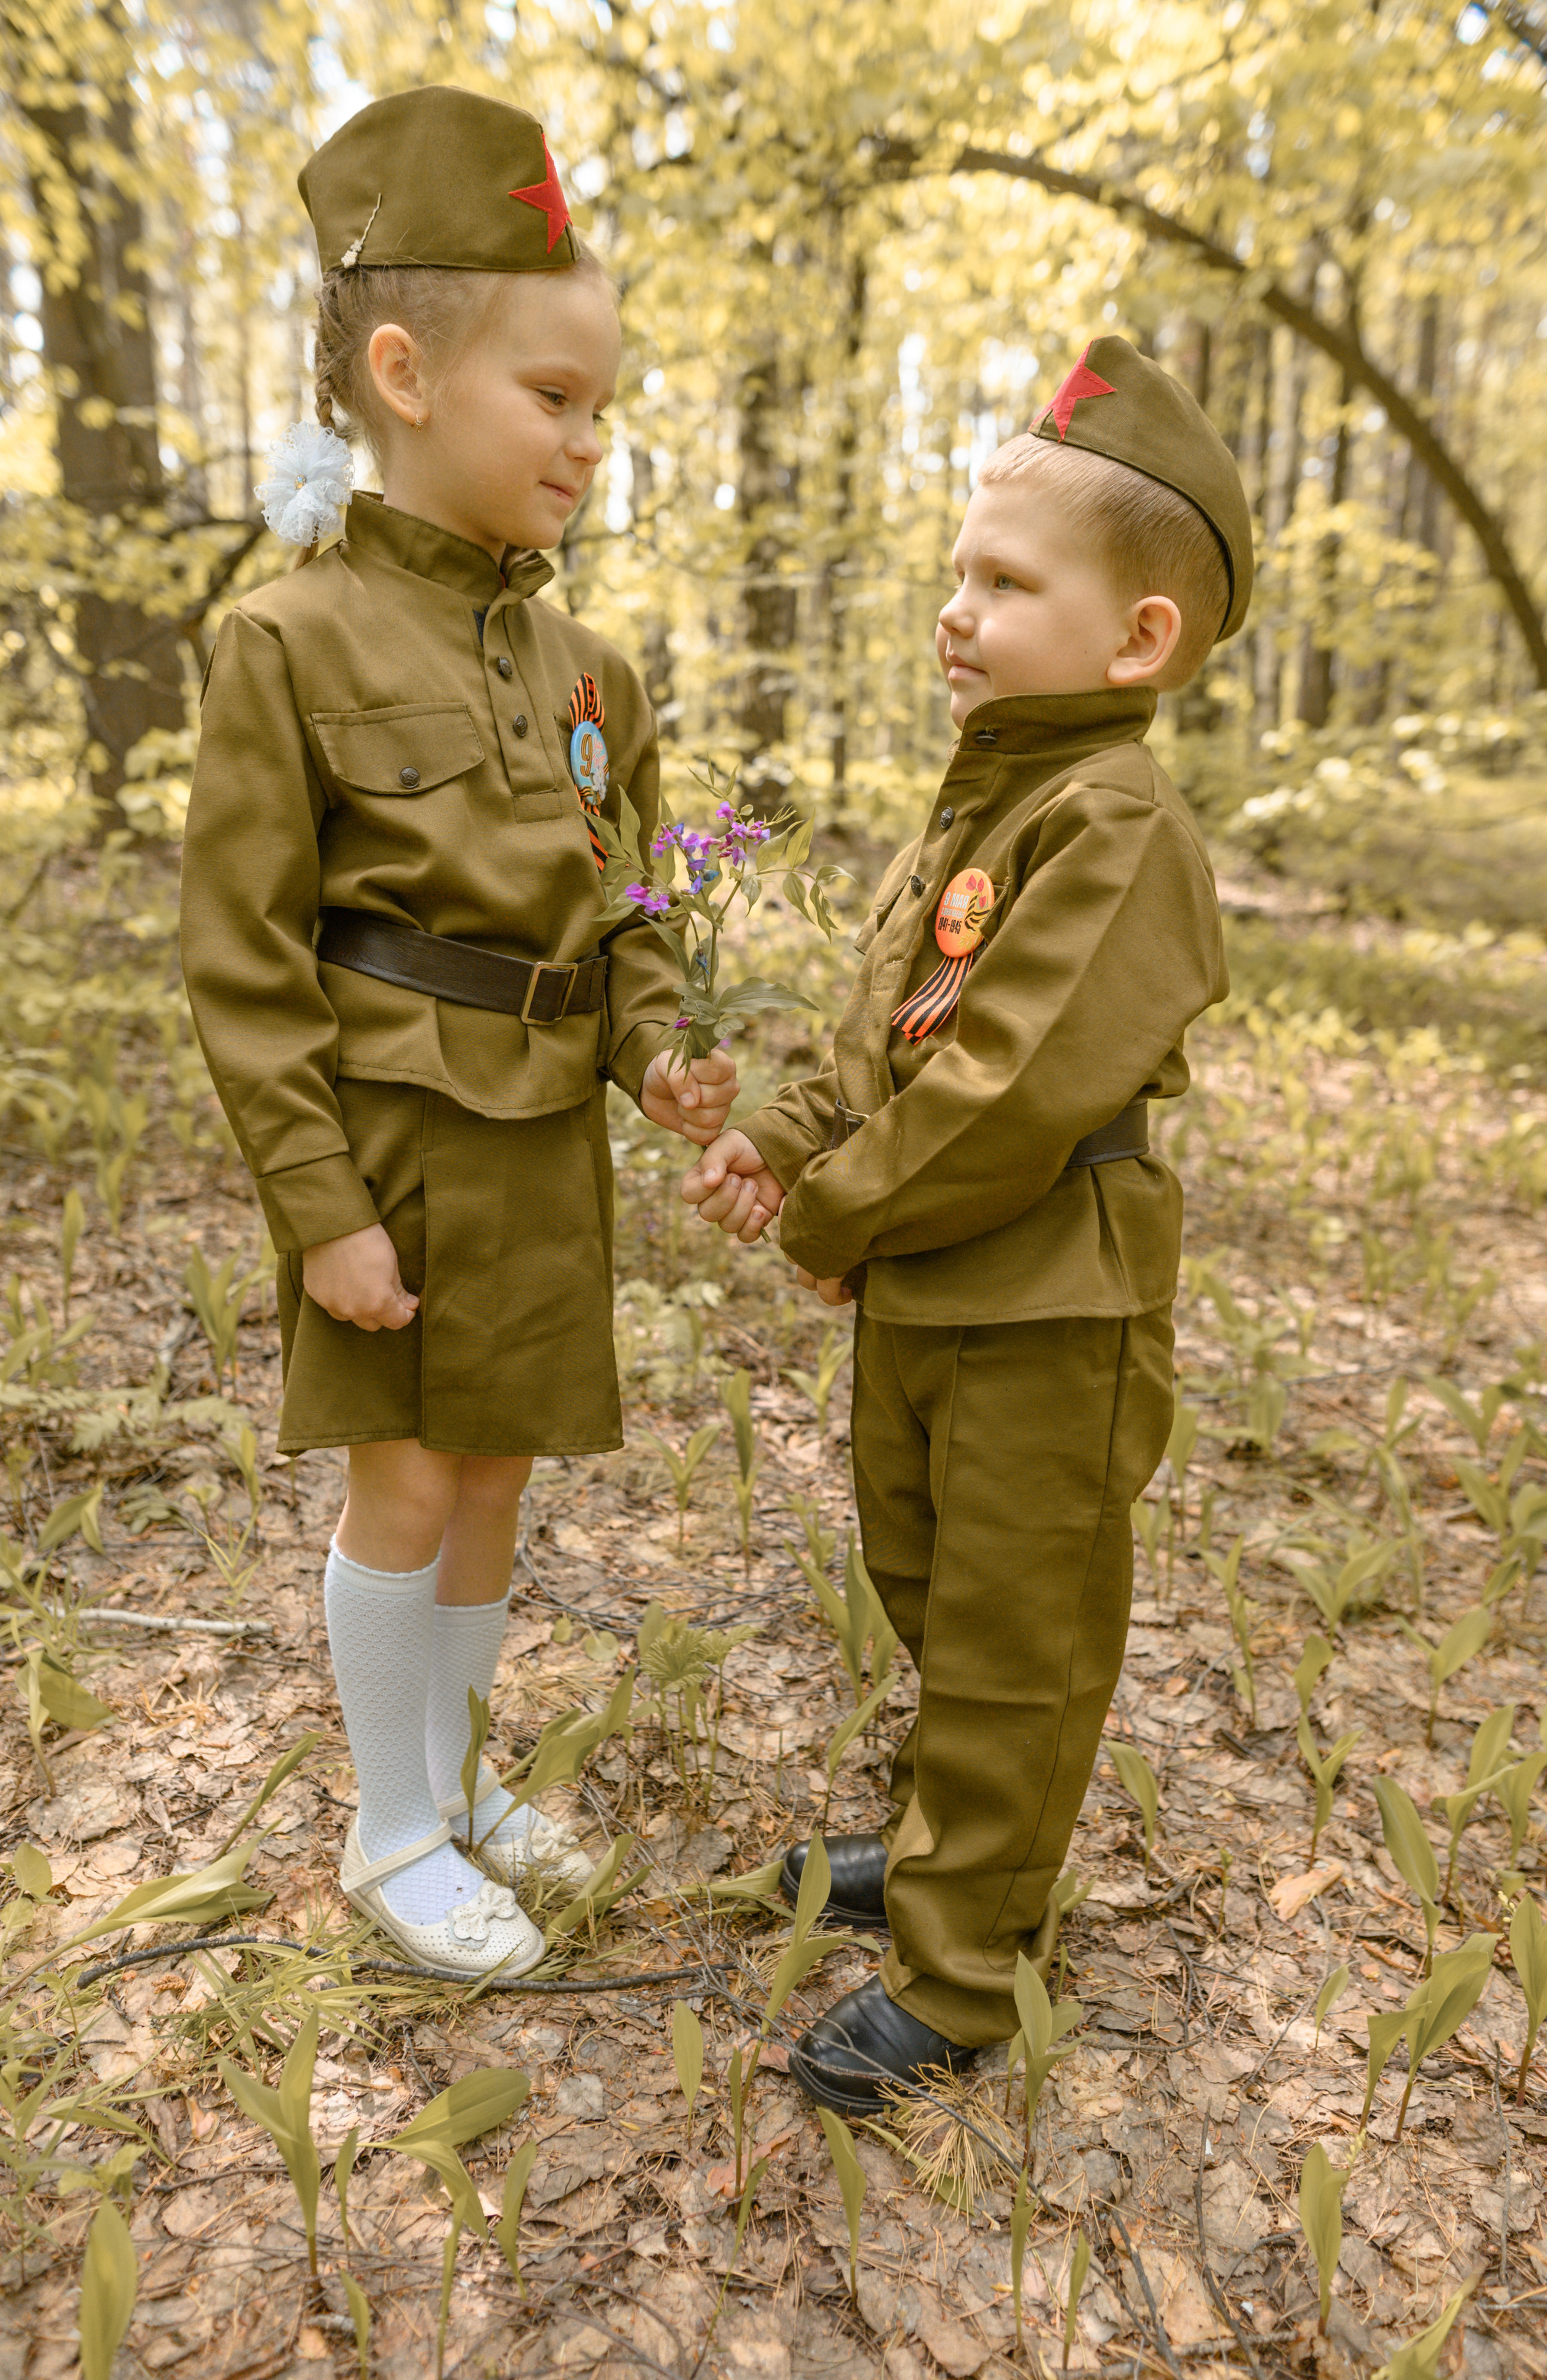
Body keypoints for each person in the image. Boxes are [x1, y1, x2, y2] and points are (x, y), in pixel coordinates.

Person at [181, 86, 736, 1981]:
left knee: (495, 1469)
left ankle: (456, 1774)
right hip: (394, 1141)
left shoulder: (600, 673)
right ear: (406, 374)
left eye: (603, 405)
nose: (592, 440)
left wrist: (659, 1052)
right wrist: (316, 1204)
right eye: (556, 398)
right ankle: (387, 1828)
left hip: (539, 1145)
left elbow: (630, 905)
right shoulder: (290, 643)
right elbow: (245, 960)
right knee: (407, 1480)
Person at [682, 337, 1245, 2108]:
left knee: (1015, 1628)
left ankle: (966, 1971)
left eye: (1005, 582)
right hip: (937, 1291)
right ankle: (953, 1852)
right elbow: (889, 1027)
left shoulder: (1119, 822)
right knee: (926, 1579)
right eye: (956, 573)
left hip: (1042, 1306)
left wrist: (832, 1215)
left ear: (1137, 638)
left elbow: (1009, 1088)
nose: (956, 609)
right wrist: (788, 1135)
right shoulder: (996, 794)